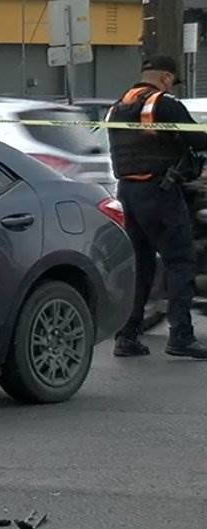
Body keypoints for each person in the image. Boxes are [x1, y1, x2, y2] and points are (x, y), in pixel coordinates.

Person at [107, 55, 207, 359]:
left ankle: (127, 336)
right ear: (165, 77)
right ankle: (181, 336)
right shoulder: (163, 103)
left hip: (128, 194)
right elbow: (198, 140)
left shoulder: (118, 106)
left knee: (142, 265)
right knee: (180, 261)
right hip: (160, 192)